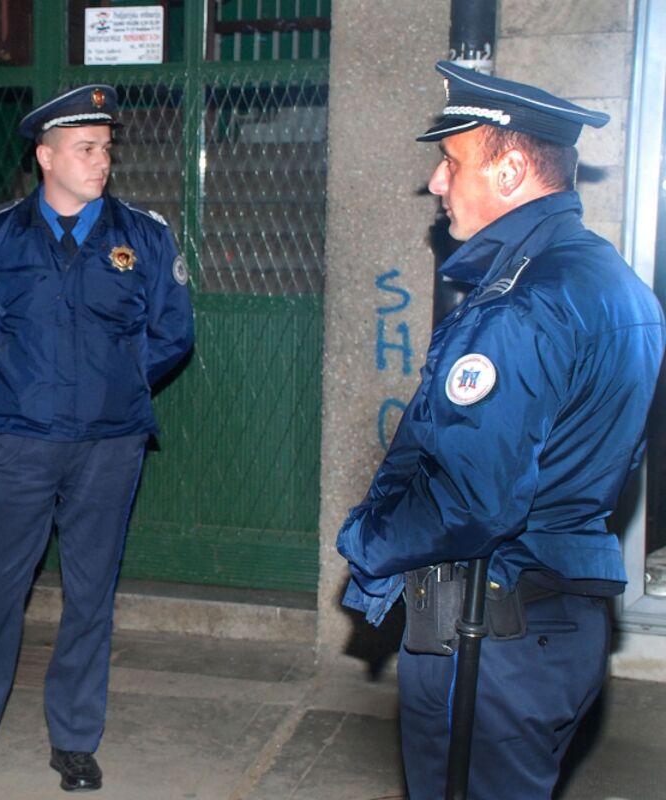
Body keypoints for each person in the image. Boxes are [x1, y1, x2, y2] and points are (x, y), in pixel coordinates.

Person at [337, 61, 666, 799]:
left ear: (512, 170)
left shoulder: (518, 306)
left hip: (492, 633)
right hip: (561, 623)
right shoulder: (617, 284)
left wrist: (365, 540)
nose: (436, 182)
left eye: (452, 162)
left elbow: (471, 499)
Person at [0, 84, 194, 792]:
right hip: (22, 442)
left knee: (90, 595)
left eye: (106, 148)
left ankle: (74, 740)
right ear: (46, 157)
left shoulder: (144, 237)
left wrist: (117, 386)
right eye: (86, 148)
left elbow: (173, 333)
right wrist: (14, 393)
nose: (103, 161)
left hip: (110, 445)